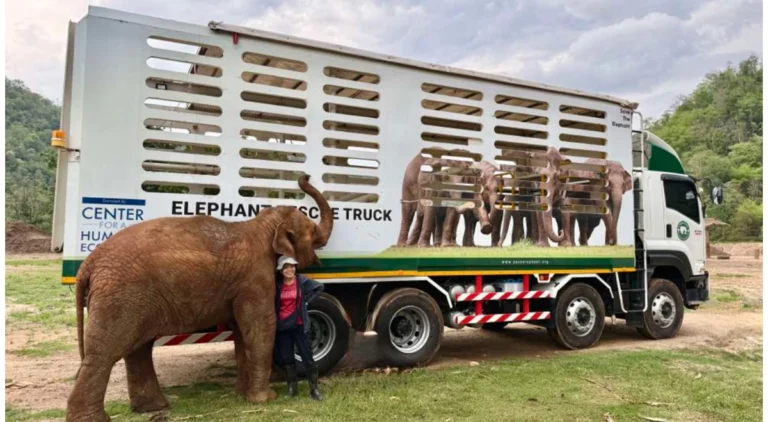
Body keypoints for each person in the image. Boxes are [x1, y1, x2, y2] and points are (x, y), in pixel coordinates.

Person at [274, 255, 324, 400]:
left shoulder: (301, 281)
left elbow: (319, 287)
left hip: (300, 325)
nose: (290, 269)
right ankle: (292, 389)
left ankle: (314, 390)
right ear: (281, 270)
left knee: (307, 356)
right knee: (287, 358)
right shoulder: (278, 285)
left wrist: (306, 302)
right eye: (286, 267)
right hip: (283, 326)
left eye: (292, 266)